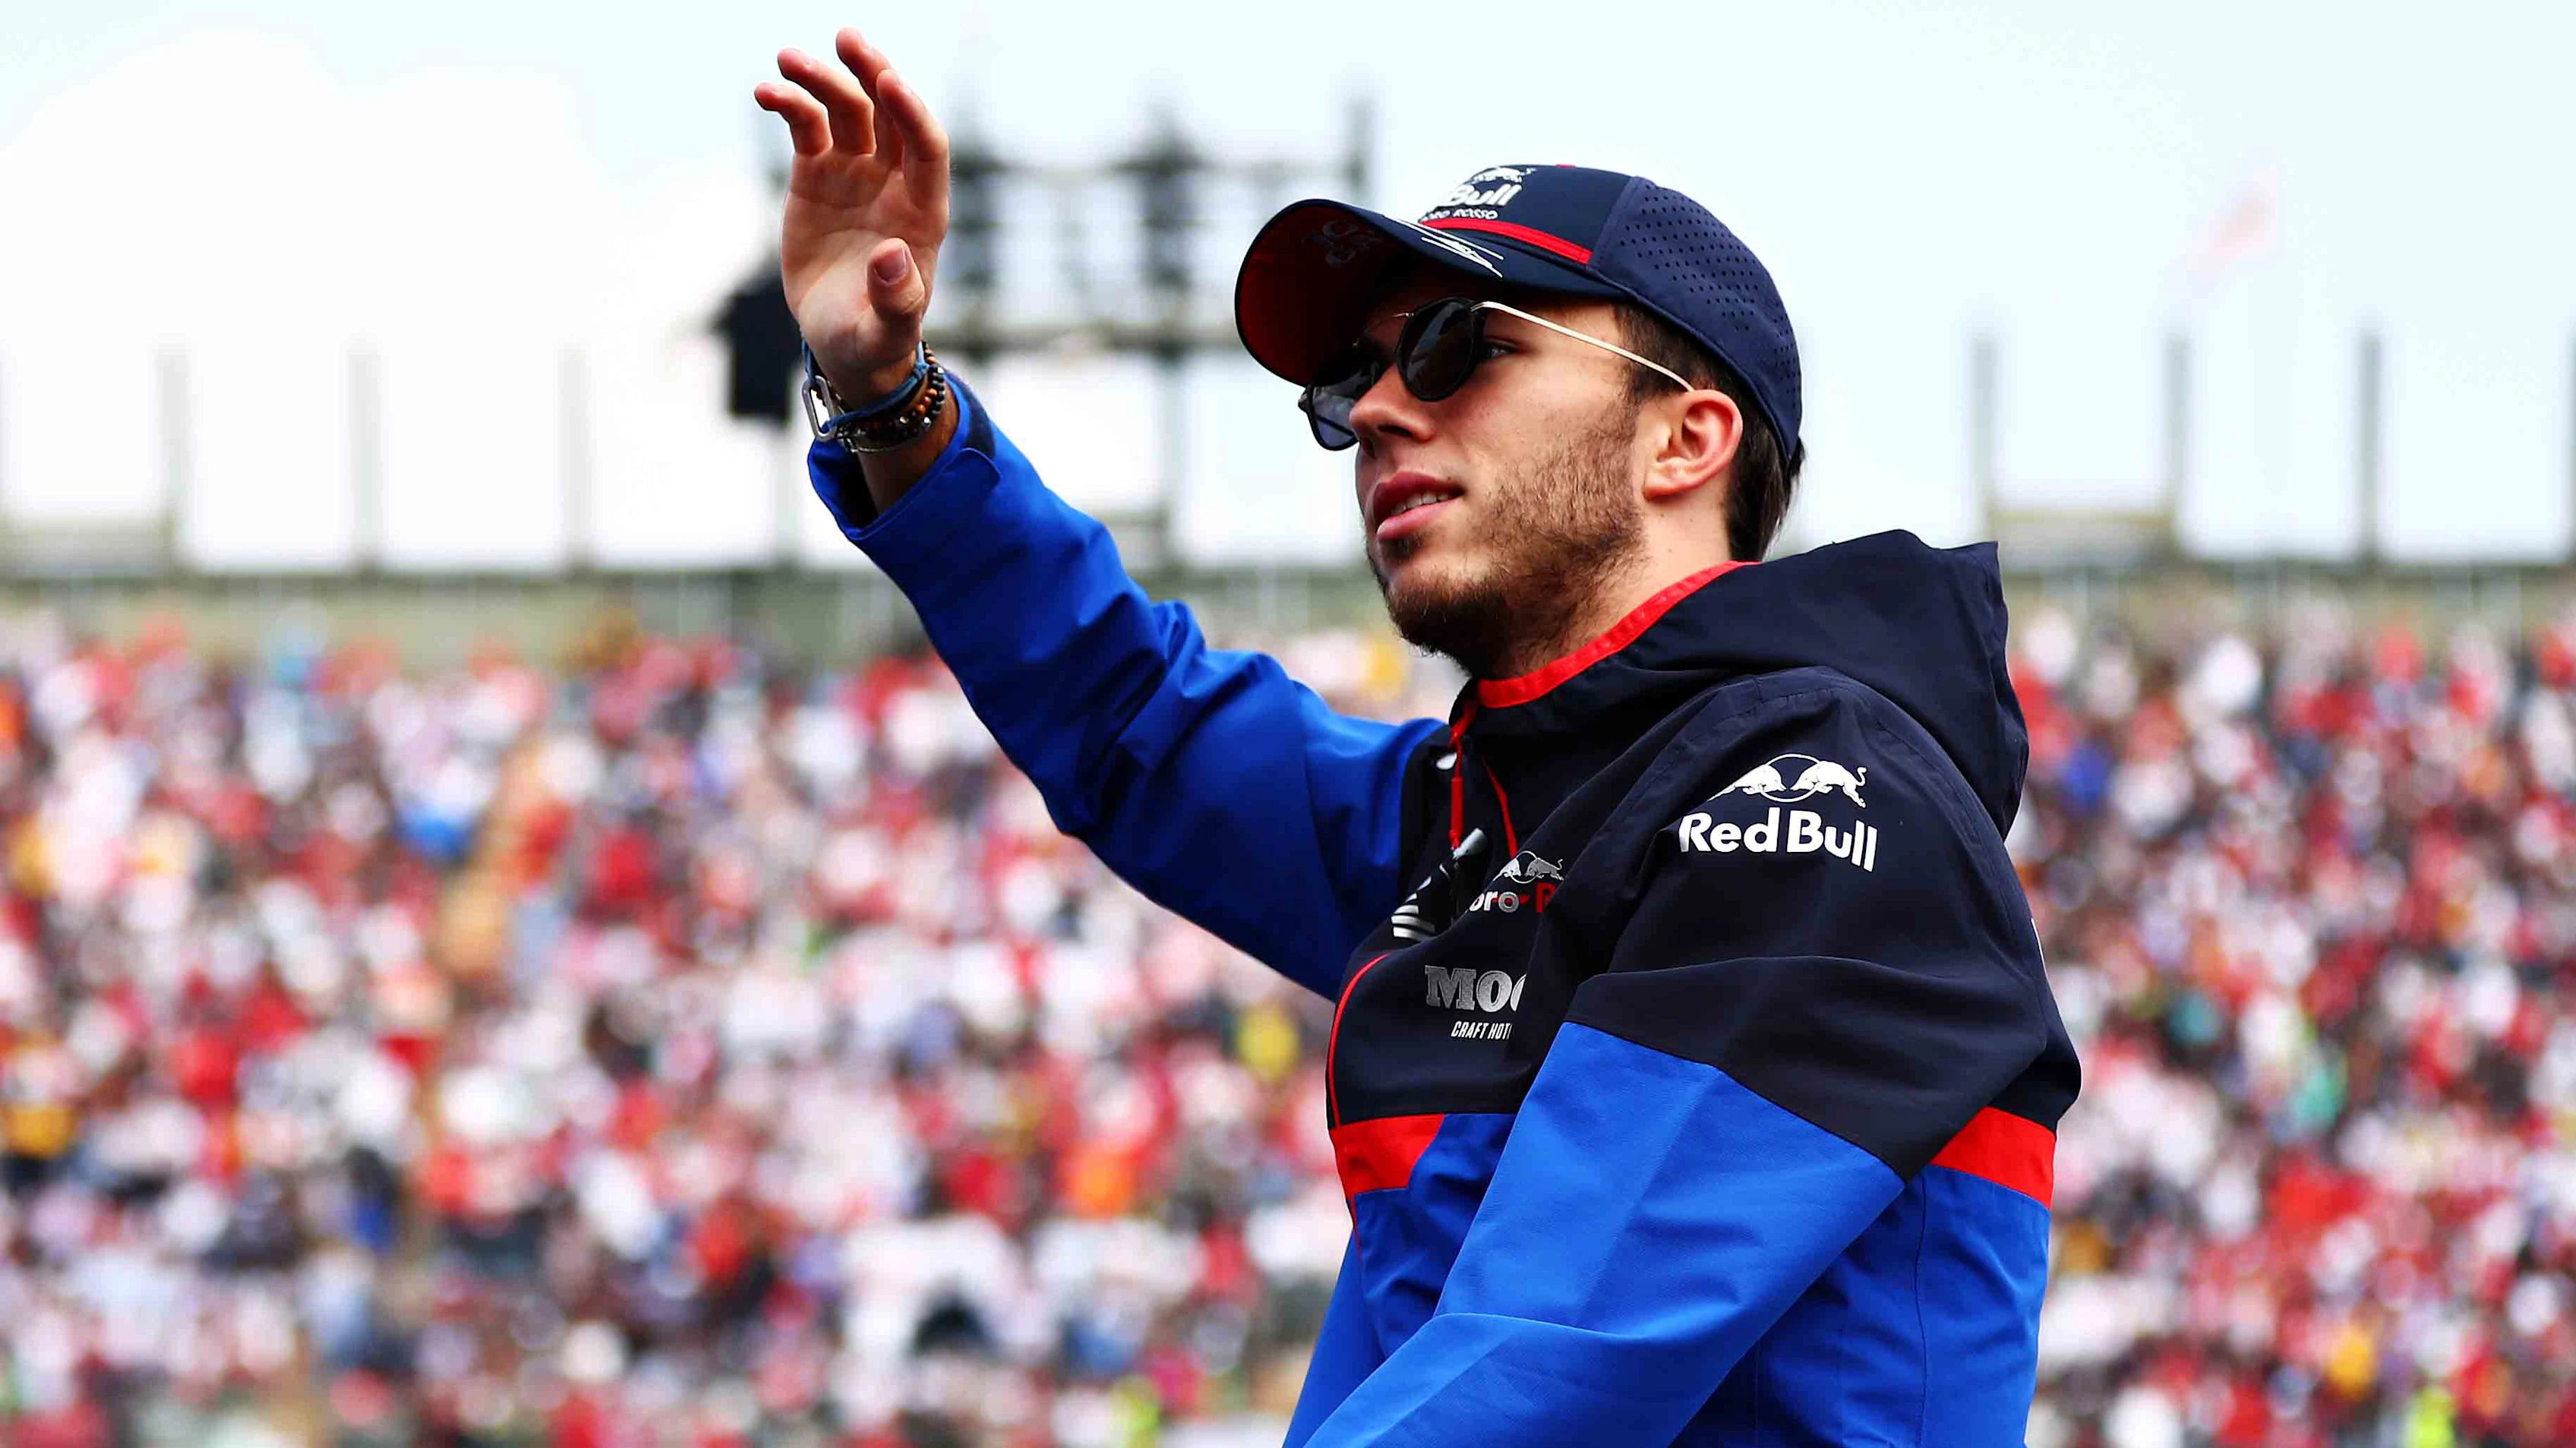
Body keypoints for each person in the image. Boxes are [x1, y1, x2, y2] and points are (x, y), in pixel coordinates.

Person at [755, 29, 2080, 1446]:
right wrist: (889, 396)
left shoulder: (1821, 796)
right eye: (1354, 384)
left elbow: (1542, 1369)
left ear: (1684, 440)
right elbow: (1134, 715)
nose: (1380, 410)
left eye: (1460, 347)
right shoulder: (1486, 814)